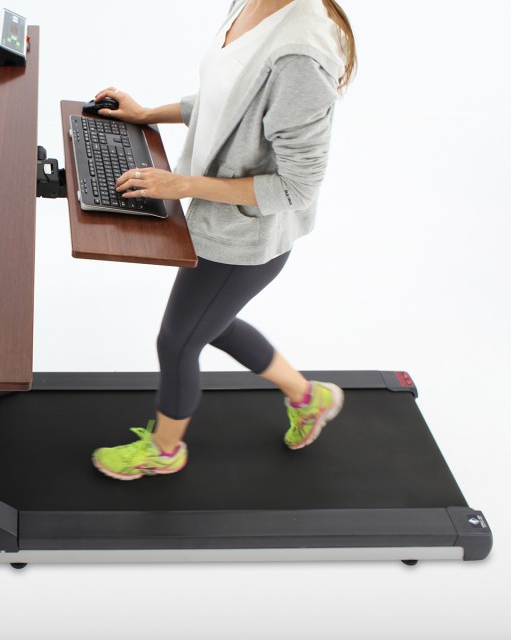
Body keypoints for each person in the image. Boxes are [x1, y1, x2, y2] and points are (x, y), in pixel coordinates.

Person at [91, 0, 357, 481]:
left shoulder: (301, 56)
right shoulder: (249, 3)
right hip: (216, 219)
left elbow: (296, 188)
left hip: (245, 236)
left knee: (177, 342)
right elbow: (228, 100)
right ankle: (307, 397)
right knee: (212, 324)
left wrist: (182, 185)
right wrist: (148, 113)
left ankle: (165, 452)